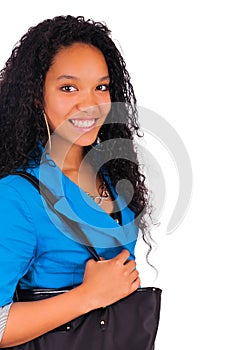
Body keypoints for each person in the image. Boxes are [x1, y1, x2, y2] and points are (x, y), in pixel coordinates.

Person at [0, 15, 152, 347]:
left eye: (101, 86)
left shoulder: (111, 177)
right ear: (37, 96)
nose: (90, 104)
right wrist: (88, 296)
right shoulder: (17, 196)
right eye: (68, 88)